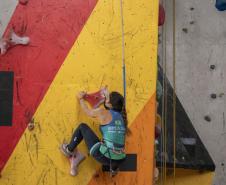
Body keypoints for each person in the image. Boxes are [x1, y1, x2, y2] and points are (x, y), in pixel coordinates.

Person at [60, 88, 128, 176]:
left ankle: (69, 150)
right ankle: (113, 169)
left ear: (109, 104)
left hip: (103, 156)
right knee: (108, 142)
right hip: (119, 159)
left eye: (106, 98)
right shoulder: (123, 118)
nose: (104, 99)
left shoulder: (102, 112)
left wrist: (80, 98)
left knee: (82, 127)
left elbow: (88, 112)